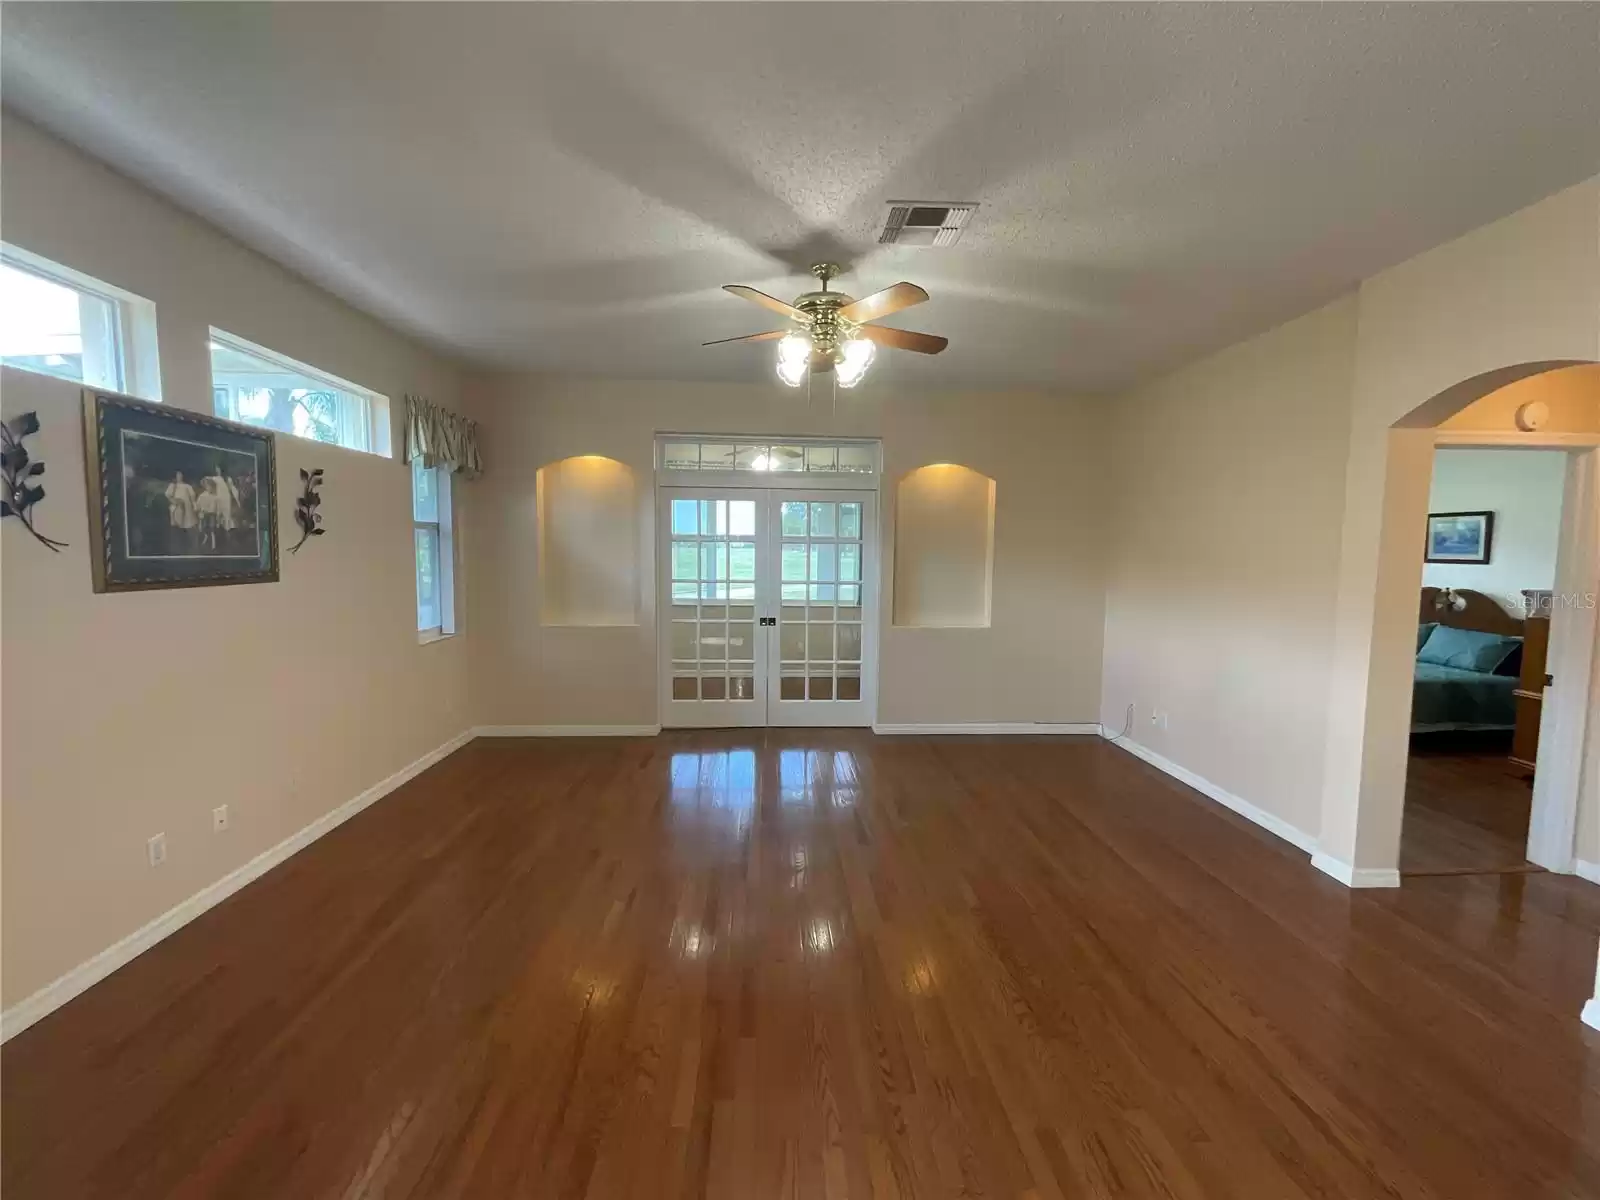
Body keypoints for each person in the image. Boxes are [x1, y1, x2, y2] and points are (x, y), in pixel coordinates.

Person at [202, 464, 241, 550]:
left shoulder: (227, 479)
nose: (217, 470)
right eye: (216, 469)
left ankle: (230, 539)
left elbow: (233, 489)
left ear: (222, 469)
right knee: (218, 519)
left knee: (227, 518)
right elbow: (206, 480)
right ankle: (219, 540)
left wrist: (237, 500)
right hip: (219, 501)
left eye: (218, 469)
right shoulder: (215, 478)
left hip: (226, 500)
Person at [165, 470, 198, 553]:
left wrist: (195, 506)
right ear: (175, 476)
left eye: (181, 475)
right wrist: (174, 501)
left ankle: (188, 545)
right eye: (178, 475)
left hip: (187, 508)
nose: (179, 477)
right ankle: (178, 546)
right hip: (177, 508)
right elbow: (168, 496)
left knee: (187, 526)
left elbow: (192, 497)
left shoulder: (187, 486)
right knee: (177, 526)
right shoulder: (173, 486)